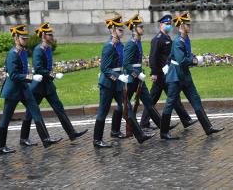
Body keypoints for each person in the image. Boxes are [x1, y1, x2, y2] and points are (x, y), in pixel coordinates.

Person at [19, 22, 87, 147]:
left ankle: (71, 133)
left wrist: (52, 74)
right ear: (44, 35)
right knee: (30, 112)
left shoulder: (48, 49)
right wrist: (54, 75)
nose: (52, 37)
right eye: (49, 35)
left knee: (59, 108)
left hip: (48, 86)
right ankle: (23, 138)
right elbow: (38, 68)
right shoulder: (38, 50)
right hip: (39, 87)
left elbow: (47, 66)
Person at [0, 25, 61, 154]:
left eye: (26, 38)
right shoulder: (12, 54)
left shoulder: (23, 52)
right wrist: (31, 77)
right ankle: (0, 146)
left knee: (35, 110)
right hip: (13, 90)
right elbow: (13, 75)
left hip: (24, 88)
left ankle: (45, 139)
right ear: (16, 38)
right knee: (6, 118)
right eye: (23, 38)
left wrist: (29, 77)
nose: (25, 40)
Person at [160, 12, 224, 140]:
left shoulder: (185, 39)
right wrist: (195, 61)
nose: (190, 26)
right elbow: (182, 60)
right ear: (182, 26)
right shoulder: (178, 41)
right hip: (176, 76)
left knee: (196, 100)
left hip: (185, 76)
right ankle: (164, 132)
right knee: (170, 103)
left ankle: (208, 128)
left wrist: (193, 58)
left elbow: (186, 56)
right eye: (187, 24)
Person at [122, 14, 176, 144]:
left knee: (149, 103)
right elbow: (126, 64)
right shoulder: (131, 44)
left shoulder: (137, 42)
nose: (143, 29)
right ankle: (116, 129)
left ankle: (163, 127)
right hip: (131, 79)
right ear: (134, 29)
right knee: (124, 106)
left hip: (139, 79)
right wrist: (136, 74)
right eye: (140, 27)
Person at [140, 14, 197, 130]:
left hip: (168, 73)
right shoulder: (157, 39)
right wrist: (154, 73)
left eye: (170, 24)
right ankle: (145, 122)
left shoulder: (167, 38)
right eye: (167, 24)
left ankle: (185, 120)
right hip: (160, 75)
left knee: (173, 97)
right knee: (154, 98)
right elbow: (153, 57)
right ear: (161, 25)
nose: (169, 26)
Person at [93, 15, 129, 148]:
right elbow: (105, 68)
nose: (122, 32)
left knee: (122, 106)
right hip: (107, 84)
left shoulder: (120, 45)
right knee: (103, 111)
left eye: (122, 30)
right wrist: (118, 76)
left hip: (118, 82)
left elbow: (121, 64)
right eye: (120, 30)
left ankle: (115, 131)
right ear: (113, 30)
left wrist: (123, 75)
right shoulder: (109, 46)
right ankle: (97, 140)